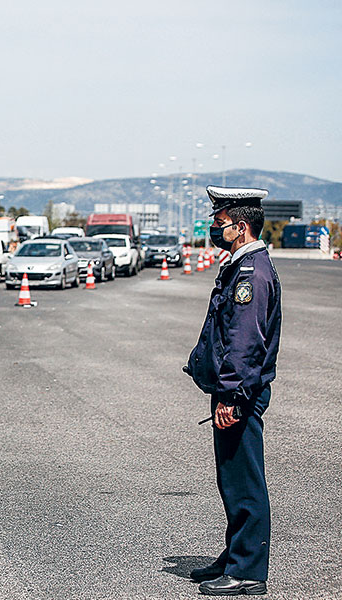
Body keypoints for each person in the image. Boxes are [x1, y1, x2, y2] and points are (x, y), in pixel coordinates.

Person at [184, 185, 282, 596]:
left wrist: (231, 397)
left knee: (245, 482)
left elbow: (245, 342)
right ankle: (234, 556)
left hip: (239, 394)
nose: (214, 228)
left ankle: (248, 571)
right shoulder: (242, 265)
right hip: (233, 390)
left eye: (220, 222)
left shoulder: (252, 273)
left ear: (240, 227)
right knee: (232, 479)